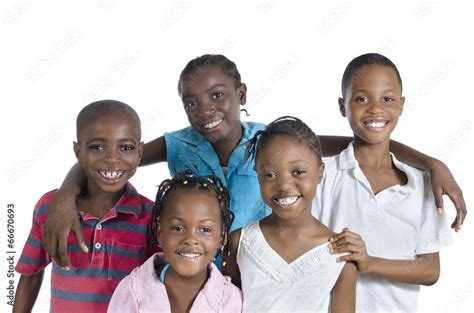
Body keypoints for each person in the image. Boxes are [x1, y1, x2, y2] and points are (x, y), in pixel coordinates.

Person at [44, 54, 466, 269]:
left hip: (259, 267)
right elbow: (117, 158)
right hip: (194, 269)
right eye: (191, 102)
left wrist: (431, 163)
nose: (205, 109)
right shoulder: (177, 144)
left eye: (217, 95)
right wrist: (65, 196)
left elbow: (352, 141)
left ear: (240, 94)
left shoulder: (269, 141)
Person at [314, 53, 453, 312]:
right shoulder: (323, 175)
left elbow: (430, 270)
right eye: (361, 99)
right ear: (342, 106)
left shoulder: (422, 183)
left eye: (387, 99)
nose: (376, 109)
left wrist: (370, 263)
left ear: (401, 105)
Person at [13, 100, 159, 312]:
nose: (112, 159)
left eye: (125, 147)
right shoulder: (50, 208)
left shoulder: (150, 216)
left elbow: (161, 285)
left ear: (139, 152)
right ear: (78, 152)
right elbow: (31, 275)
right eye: (97, 147)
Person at [224, 116, 357, 312]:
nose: (284, 185)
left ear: (320, 172)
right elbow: (227, 305)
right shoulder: (239, 242)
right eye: (269, 175)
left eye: (298, 172)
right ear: (257, 174)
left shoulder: (340, 254)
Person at [108, 171, 242, 312]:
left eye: (205, 229)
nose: (190, 240)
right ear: (160, 232)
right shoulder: (133, 290)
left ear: (222, 237)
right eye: (178, 228)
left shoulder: (230, 300)